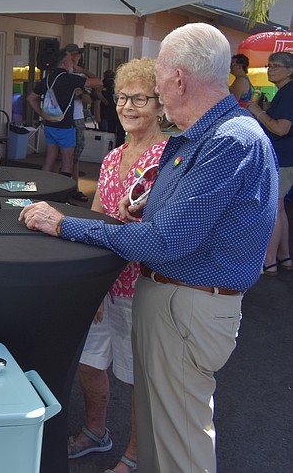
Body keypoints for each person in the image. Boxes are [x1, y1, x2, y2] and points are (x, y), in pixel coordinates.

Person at [20, 23, 277, 473]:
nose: (148, 91)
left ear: (177, 78)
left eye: (155, 79)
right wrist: (144, 208)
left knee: (179, 446)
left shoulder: (227, 141)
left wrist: (66, 226)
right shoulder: (204, 136)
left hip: (189, 303)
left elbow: (166, 241)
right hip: (179, 298)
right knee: (164, 437)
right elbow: (174, 223)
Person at [67, 58, 167, 473]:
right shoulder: (112, 158)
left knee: (139, 378)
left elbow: (164, 230)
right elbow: (95, 221)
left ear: (160, 105)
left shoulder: (169, 159)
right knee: (91, 362)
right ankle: (95, 432)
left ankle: (135, 453)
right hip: (104, 283)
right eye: (122, 97)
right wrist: (91, 284)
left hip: (140, 285)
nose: (127, 106)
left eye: (139, 98)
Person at [247, 51, 293, 275]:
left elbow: (281, 128)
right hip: (284, 157)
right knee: (280, 208)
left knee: (273, 209)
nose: (269, 69)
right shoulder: (284, 92)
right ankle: (283, 258)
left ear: (290, 70)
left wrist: (258, 113)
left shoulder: (288, 93)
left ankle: (270, 261)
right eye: (268, 65)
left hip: (283, 158)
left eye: (275, 66)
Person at [27, 48, 101, 179]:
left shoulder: (48, 79)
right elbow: (98, 82)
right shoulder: (69, 79)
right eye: (70, 60)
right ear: (64, 63)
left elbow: (31, 98)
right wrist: (83, 70)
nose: (72, 63)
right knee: (67, 162)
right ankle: (62, 196)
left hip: (49, 124)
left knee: (50, 159)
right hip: (65, 126)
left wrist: (41, 113)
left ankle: (43, 187)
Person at [64, 43, 102, 202]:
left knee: (75, 157)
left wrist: (80, 92)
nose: (74, 58)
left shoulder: (79, 76)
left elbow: (93, 92)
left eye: (76, 54)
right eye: (70, 54)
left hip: (77, 118)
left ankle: (74, 188)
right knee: (61, 157)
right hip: (62, 119)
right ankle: (63, 189)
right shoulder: (61, 74)